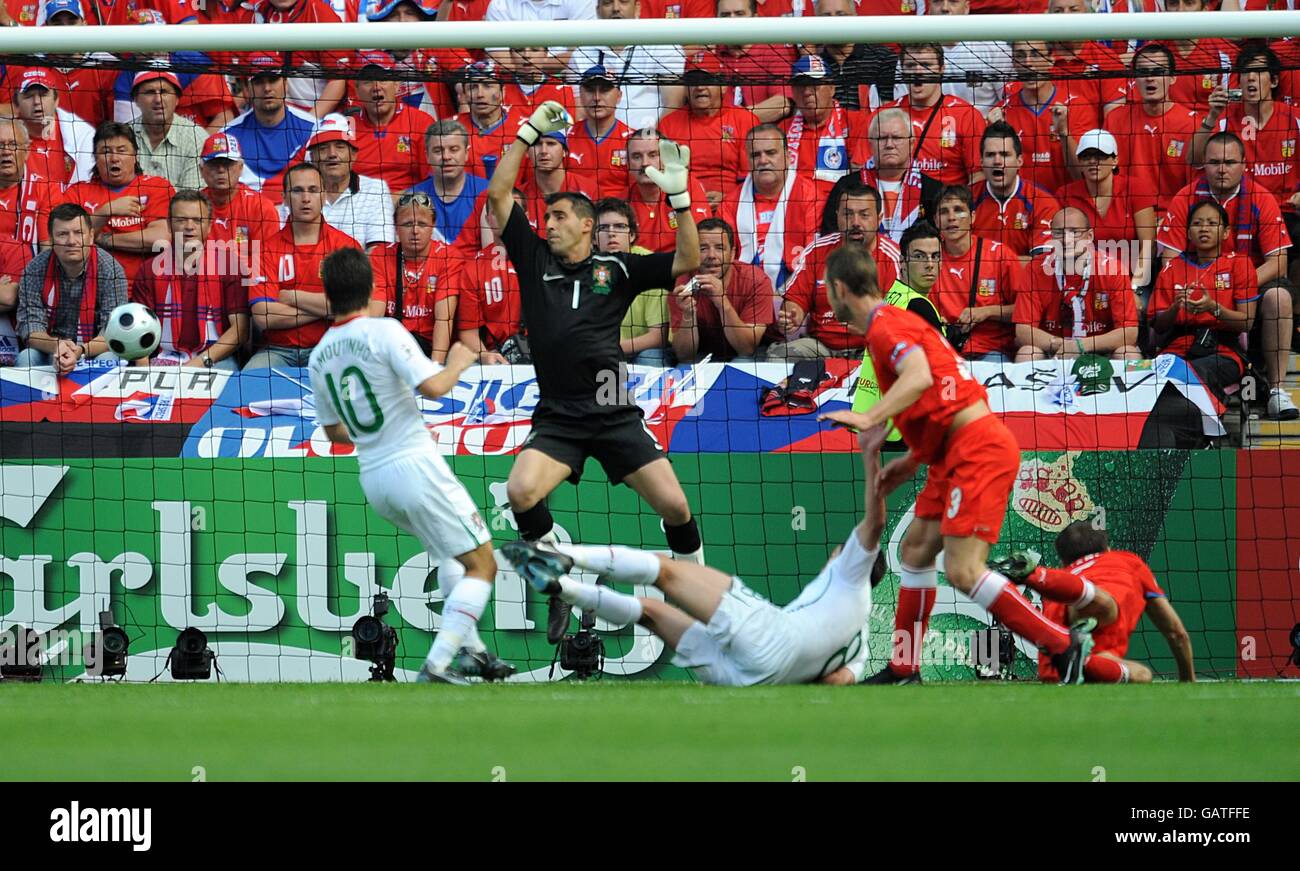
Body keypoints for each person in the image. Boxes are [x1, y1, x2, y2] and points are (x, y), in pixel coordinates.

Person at [817, 244, 1094, 685]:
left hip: (976, 449)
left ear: (838, 289)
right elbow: (938, 396)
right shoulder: (893, 323)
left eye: (826, 291)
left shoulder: (887, 325)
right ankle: (905, 668)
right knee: (915, 550)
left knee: (963, 570)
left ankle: (1062, 643)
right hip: (951, 452)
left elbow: (919, 377)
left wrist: (869, 417)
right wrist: (910, 462)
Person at [485, 100, 706, 645]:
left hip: (612, 411)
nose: (549, 224)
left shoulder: (621, 265)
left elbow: (688, 261)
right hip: (560, 416)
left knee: (676, 506)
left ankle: (695, 587)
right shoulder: (534, 260)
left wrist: (680, 201)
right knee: (520, 492)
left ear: (587, 226)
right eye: (548, 217)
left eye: (559, 217)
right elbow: (497, 196)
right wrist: (527, 132)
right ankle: (558, 590)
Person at [501, 421, 890, 686]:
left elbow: (874, 524)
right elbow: (835, 683)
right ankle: (568, 591)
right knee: (650, 611)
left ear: (849, 558)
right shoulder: (861, 641)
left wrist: (873, 457)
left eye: (840, 552)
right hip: (745, 680)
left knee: (664, 572)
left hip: (765, 634)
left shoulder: (848, 576)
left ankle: (570, 560)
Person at [309, 247, 513, 684]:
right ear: (372, 288)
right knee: (484, 564)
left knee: (448, 553)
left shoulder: (319, 354)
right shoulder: (384, 331)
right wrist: (459, 360)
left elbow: (334, 434)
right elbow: (436, 387)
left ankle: (475, 652)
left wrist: (377, 430)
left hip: (375, 479)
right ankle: (439, 663)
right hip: (414, 466)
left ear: (328, 292)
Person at [1158, 132, 1297, 420]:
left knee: (1280, 297)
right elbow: (1169, 261)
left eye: (1230, 162)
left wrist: (1238, 287)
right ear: (1203, 165)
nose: (1222, 168)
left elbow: (1279, 261)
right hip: (1196, 284)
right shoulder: (1186, 197)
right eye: (1214, 162)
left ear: (1244, 164)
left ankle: (1276, 390)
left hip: (1251, 283)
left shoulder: (1261, 197)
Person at [994, 519, 1196, 683]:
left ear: (1064, 561)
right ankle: (1032, 575)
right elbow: (1176, 633)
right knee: (1106, 606)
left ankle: (1081, 658)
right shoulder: (1127, 561)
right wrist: (1188, 678)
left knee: (1142, 674)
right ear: (1107, 548)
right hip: (1095, 610)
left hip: (1055, 669)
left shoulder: (1058, 585)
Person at [246, 162, 365, 369]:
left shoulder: (345, 247)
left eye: (313, 190)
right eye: (297, 191)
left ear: (324, 195)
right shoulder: (265, 249)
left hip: (333, 348)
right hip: (277, 350)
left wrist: (291, 296)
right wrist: (330, 309)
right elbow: (264, 316)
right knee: (246, 385)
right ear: (284, 198)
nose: (306, 198)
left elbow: (356, 308)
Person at [768, 176, 901, 360]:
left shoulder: (893, 257)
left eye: (864, 214)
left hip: (869, 349)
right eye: (847, 214)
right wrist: (793, 314)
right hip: (821, 347)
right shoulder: (817, 250)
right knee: (779, 356)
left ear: (879, 219)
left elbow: (898, 318)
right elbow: (795, 300)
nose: (855, 222)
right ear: (837, 216)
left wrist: (869, 324)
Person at [1149, 198, 1258, 415]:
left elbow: (1246, 321)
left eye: (1211, 223)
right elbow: (1158, 326)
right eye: (1197, 224)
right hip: (1177, 348)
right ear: (1189, 233)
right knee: (1154, 377)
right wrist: (1175, 307)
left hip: (1223, 351)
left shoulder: (1240, 264)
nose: (1204, 228)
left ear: (1226, 232)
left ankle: (1199, 433)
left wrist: (1213, 307)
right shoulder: (1172, 268)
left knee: (1193, 373)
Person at [128, 190, 249, 370]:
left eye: (197, 220)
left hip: (215, 359)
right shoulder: (148, 270)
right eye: (181, 220)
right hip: (162, 356)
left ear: (209, 226)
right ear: (169, 225)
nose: (189, 226)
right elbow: (139, 329)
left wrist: (198, 363)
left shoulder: (229, 265)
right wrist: (144, 369)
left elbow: (240, 331)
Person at [1014, 206, 1141, 363]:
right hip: (1055, 351)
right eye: (1059, 233)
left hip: (1101, 351)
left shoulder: (1112, 268)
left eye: (1075, 232)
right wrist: (1061, 345)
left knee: (1128, 353)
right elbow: (1023, 331)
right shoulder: (1035, 269)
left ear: (1089, 236)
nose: (1066, 240)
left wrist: (1081, 346)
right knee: (1027, 352)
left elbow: (1129, 333)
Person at [61, 121, 176, 284]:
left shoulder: (157, 186)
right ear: (95, 157)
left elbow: (160, 239)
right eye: (106, 151)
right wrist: (105, 211)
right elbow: (70, 240)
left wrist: (104, 239)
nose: (114, 158)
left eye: (122, 151)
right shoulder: (77, 193)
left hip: (145, 286)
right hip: (94, 287)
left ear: (135, 155)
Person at [15, 203, 125, 371]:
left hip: (92, 350)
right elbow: (30, 328)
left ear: (91, 236)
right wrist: (58, 346)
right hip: (51, 350)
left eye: (78, 233)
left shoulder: (111, 270)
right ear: (51, 240)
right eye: (62, 234)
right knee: (26, 357)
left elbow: (113, 332)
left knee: (109, 359)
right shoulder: (34, 270)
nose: (71, 241)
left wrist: (79, 350)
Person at [719, 124, 821, 294]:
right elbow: (723, 258)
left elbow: (814, 259)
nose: (763, 160)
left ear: (788, 157)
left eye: (771, 153)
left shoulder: (810, 196)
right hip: (743, 293)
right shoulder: (730, 203)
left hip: (797, 292)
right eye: (755, 155)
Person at [929, 184, 1022, 364]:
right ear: (935, 220)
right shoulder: (927, 258)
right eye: (943, 212)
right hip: (941, 350)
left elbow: (1025, 312)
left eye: (958, 210)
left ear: (972, 217)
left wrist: (987, 312)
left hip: (990, 352)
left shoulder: (999, 255)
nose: (951, 218)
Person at [1056, 129, 1157, 288]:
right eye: (1086, 156)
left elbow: (1148, 244)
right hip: (1083, 283)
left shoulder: (1137, 188)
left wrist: (1134, 288)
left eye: (1101, 156)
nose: (1093, 161)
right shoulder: (1065, 194)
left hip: (1131, 279)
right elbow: (1061, 245)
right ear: (1080, 163)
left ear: (1115, 160)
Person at [656, 52, 760, 207]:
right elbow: (664, 176)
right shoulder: (668, 124)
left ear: (723, 87)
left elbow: (751, 176)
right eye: (693, 81)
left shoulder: (744, 119)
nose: (700, 87)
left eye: (707, 80)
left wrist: (728, 198)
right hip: (683, 204)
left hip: (736, 204)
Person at [1103, 43, 1201, 202]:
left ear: (1173, 78)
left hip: (1172, 215)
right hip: (1126, 213)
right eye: (1143, 72)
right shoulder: (1115, 120)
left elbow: (1195, 186)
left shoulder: (1192, 124)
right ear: (1134, 79)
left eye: (1158, 72)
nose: (1150, 78)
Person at [830, 107, 942, 244]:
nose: (889, 145)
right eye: (882, 138)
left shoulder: (933, 190)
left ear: (912, 143)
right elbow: (832, 235)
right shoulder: (847, 186)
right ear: (870, 143)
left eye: (896, 138)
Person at [370, 191, 460, 361]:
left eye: (422, 224)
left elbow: (444, 318)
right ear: (396, 227)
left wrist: (435, 367)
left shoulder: (449, 257)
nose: (415, 231)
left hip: (430, 347)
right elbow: (374, 315)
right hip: (391, 348)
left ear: (433, 226)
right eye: (407, 224)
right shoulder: (380, 256)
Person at [670, 218, 774, 363]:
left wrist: (722, 302)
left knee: (741, 363)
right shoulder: (682, 281)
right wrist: (688, 314)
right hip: (702, 354)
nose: (711, 255)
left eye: (719, 248)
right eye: (703, 248)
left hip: (747, 356)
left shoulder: (757, 281)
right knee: (683, 368)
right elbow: (684, 356)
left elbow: (747, 349)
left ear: (732, 254)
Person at [219, 53, 320, 196]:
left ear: (285, 84)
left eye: (273, 80)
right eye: (259, 81)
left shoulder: (312, 128)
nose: (267, 88)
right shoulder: (228, 135)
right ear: (246, 90)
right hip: (249, 213)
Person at [885, 43, 986, 187]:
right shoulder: (883, 116)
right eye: (910, 66)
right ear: (902, 71)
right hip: (897, 205)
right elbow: (863, 168)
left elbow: (978, 176)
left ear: (941, 70)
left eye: (926, 65)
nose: (918, 72)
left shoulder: (966, 115)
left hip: (947, 205)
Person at [594, 197, 672, 367]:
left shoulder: (649, 265)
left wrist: (609, 348)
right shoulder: (584, 267)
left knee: (650, 356)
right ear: (593, 238)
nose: (611, 233)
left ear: (632, 235)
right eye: (603, 228)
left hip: (641, 351)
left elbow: (659, 336)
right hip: (600, 353)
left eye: (619, 226)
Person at [969, 121, 1060, 264]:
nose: (997, 161)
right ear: (981, 162)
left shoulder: (1043, 202)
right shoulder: (966, 200)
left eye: (1005, 154)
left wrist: (988, 263)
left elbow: (1041, 265)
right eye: (990, 155)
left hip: (1026, 284)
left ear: (1019, 161)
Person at [302, 114, 395, 250]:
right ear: (312, 157)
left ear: (353, 154)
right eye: (323, 148)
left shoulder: (376, 190)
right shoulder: (298, 192)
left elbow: (379, 254)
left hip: (360, 271)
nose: (332, 154)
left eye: (340, 146)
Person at [349, 51, 437, 194]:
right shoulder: (346, 126)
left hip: (409, 205)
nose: (376, 86)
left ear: (396, 85)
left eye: (383, 79)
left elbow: (433, 180)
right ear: (357, 90)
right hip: (359, 207)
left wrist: (398, 200)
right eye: (368, 81)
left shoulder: (421, 122)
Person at [408, 120, 492, 255]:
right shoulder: (413, 197)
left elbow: (491, 254)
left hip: (475, 273)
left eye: (454, 149)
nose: (446, 157)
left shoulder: (487, 193)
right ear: (427, 156)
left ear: (466, 153)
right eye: (438, 150)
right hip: (431, 273)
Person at [623, 128, 710, 254]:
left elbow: (701, 240)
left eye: (653, 155)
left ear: (666, 157)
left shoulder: (687, 186)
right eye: (637, 157)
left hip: (681, 266)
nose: (645, 163)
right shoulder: (622, 201)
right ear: (628, 164)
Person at [12, 67, 95, 189]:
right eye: (29, 96)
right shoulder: (5, 137)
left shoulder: (83, 135)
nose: (36, 101)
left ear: (56, 100)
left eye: (43, 95)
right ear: (16, 104)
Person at [197, 132, 283, 250]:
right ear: (201, 170)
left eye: (228, 164)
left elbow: (268, 260)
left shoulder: (261, 208)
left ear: (241, 167)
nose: (221, 170)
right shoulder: (193, 206)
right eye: (214, 164)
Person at [127, 69, 206, 192]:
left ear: (177, 99)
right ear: (136, 99)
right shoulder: (124, 135)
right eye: (150, 92)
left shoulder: (196, 138)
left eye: (164, 92)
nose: (158, 99)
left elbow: (192, 200)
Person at [566, 66, 633, 201]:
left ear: (619, 96)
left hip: (619, 214)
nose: (596, 97)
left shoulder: (634, 141)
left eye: (604, 90)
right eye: (590, 90)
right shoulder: (566, 137)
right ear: (581, 94)